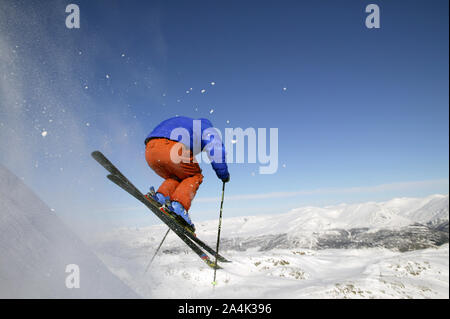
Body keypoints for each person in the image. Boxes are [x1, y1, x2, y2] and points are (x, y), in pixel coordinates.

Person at [144, 116, 230, 232]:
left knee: (177, 177)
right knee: (194, 175)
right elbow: (216, 148)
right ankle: (178, 208)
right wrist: (223, 174)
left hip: (150, 151)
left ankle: (160, 197)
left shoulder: (184, 123)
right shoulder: (206, 127)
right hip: (171, 148)